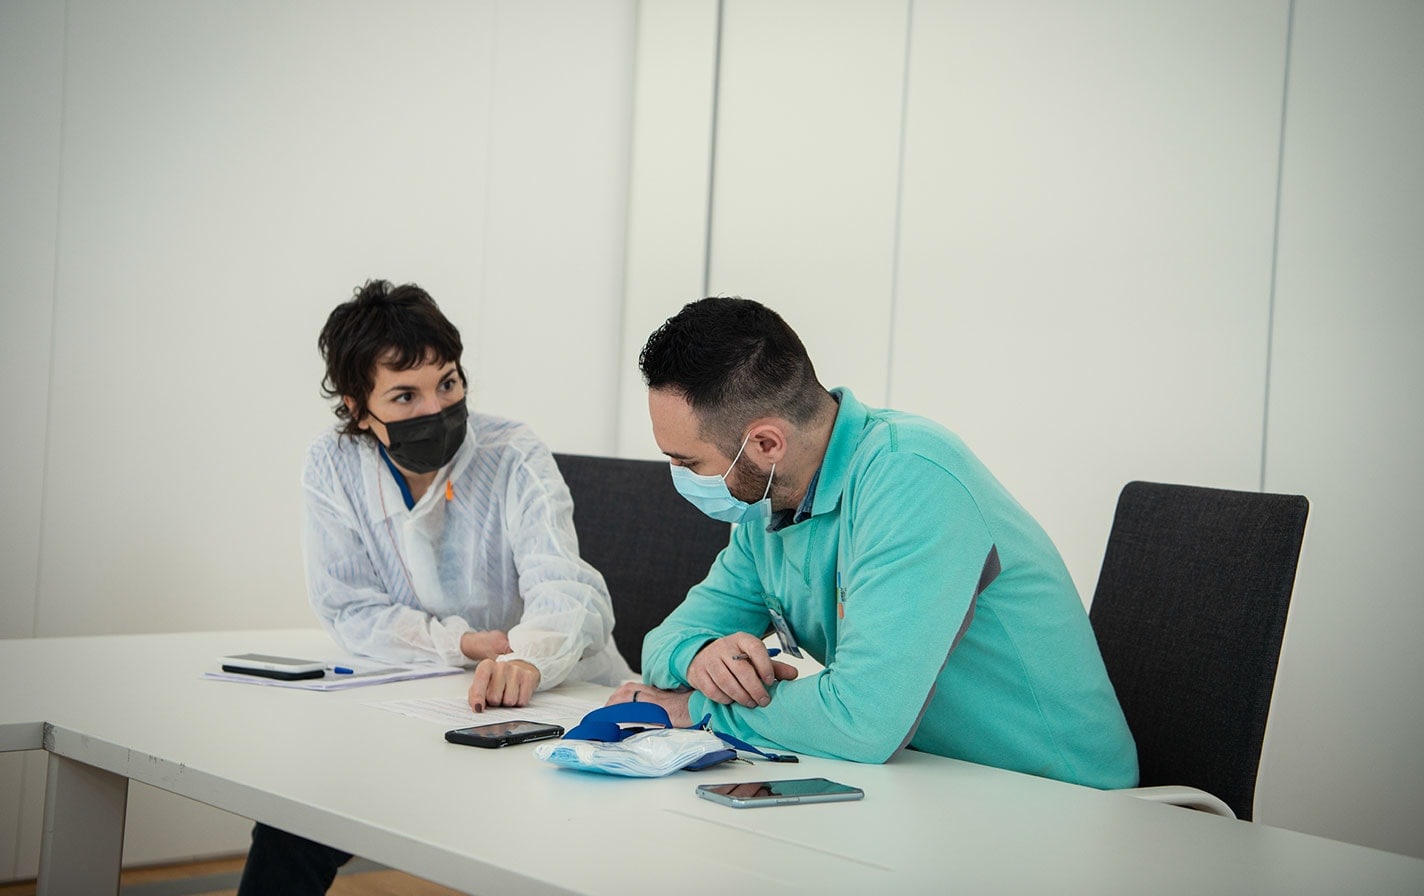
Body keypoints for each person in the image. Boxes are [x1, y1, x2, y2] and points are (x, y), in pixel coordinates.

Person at [607, 296, 1138, 790]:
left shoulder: (910, 477)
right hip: (926, 782)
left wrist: (694, 708)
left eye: (687, 461)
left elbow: (861, 720)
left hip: (1058, 798)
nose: (677, 476)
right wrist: (699, 654)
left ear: (767, 444)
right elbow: (663, 641)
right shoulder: (768, 505)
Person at [237, 280, 630, 895]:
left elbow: (566, 587)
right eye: (404, 395)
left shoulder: (512, 453)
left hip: (554, 699)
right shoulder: (333, 466)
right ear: (358, 409)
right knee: (294, 822)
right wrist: (465, 643)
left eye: (447, 382)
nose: (435, 408)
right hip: (426, 700)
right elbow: (351, 608)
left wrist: (527, 655)